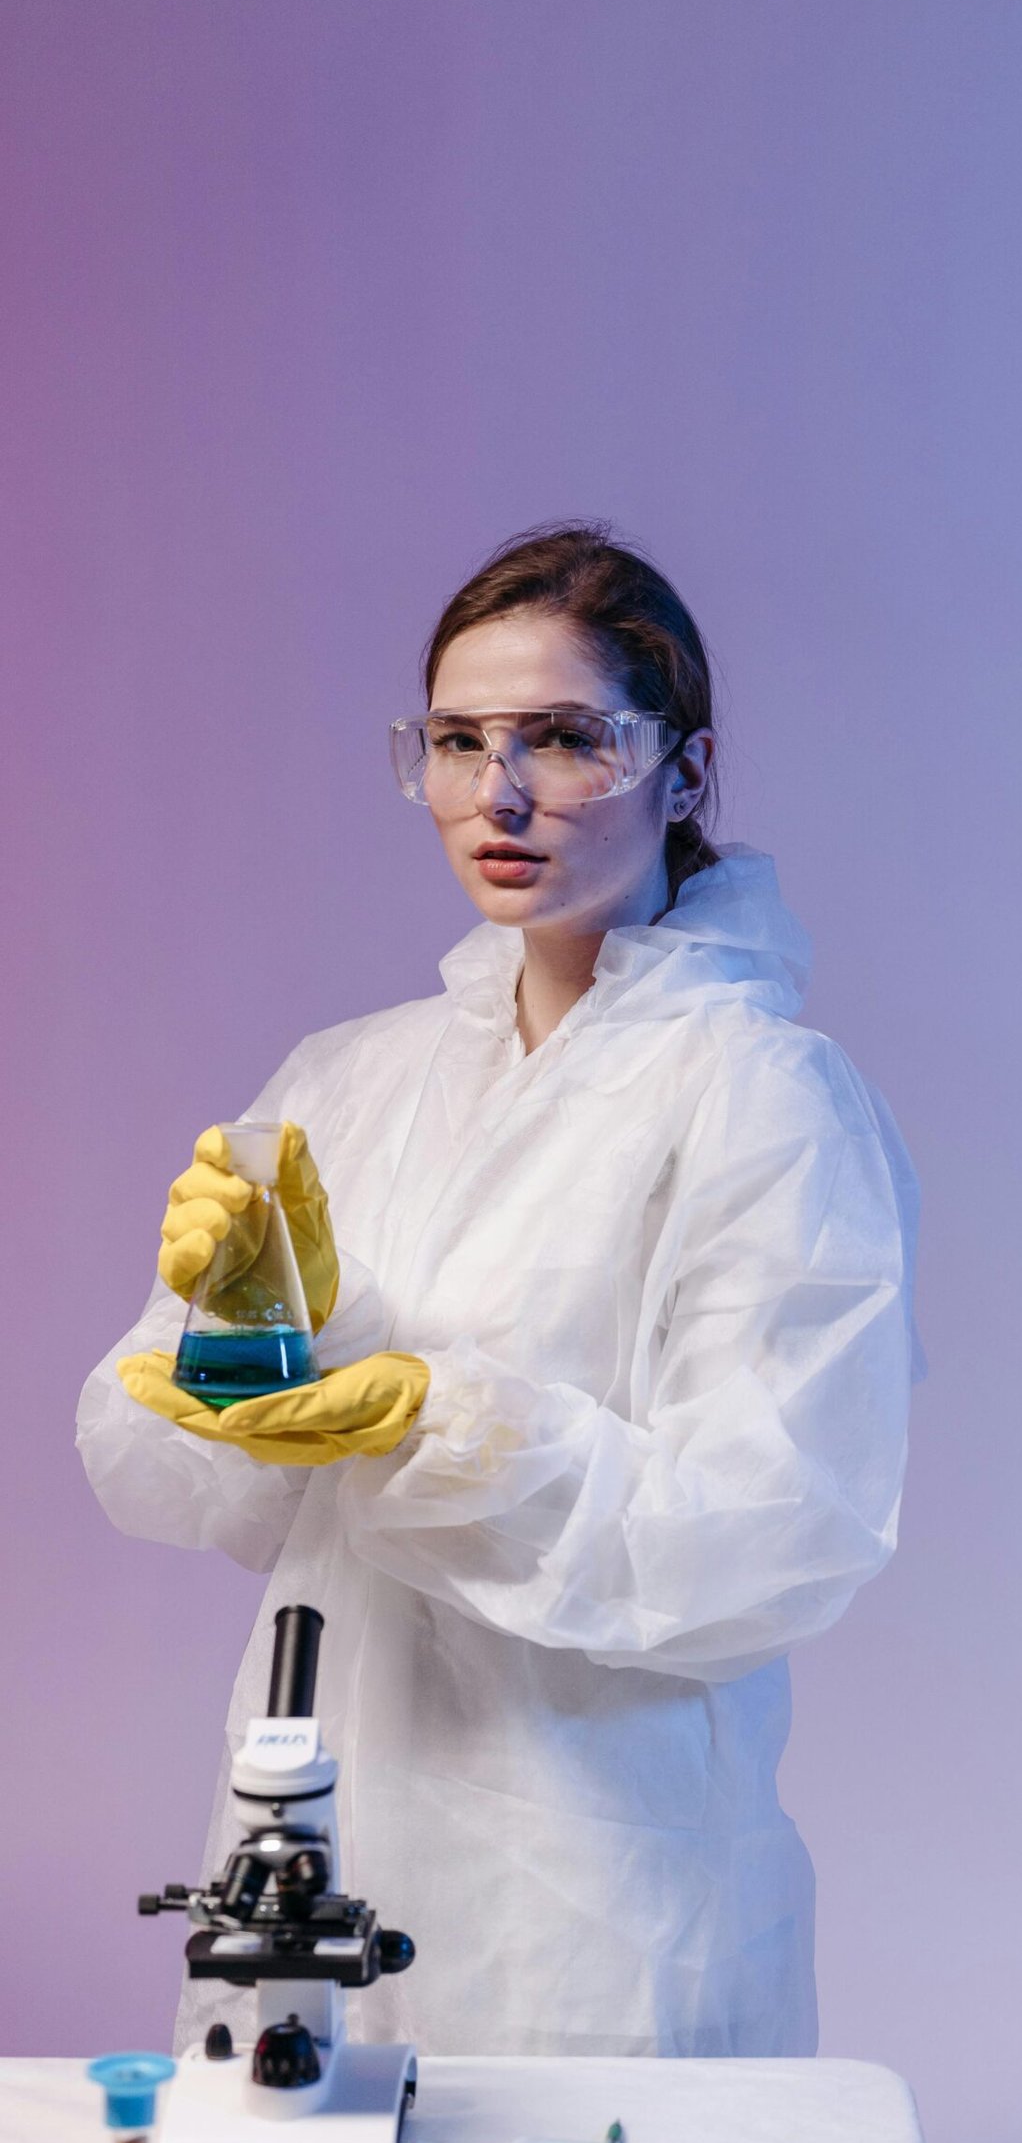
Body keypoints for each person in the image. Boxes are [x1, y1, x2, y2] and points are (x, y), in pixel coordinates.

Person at [77, 524, 920, 2060]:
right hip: (316, 1836)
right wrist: (229, 1359)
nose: (500, 793)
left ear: (686, 765)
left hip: (596, 1891)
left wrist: (437, 1416)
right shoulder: (353, 1078)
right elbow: (181, 1482)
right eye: (459, 742)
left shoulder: (761, 1098)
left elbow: (775, 1533)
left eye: (564, 738)